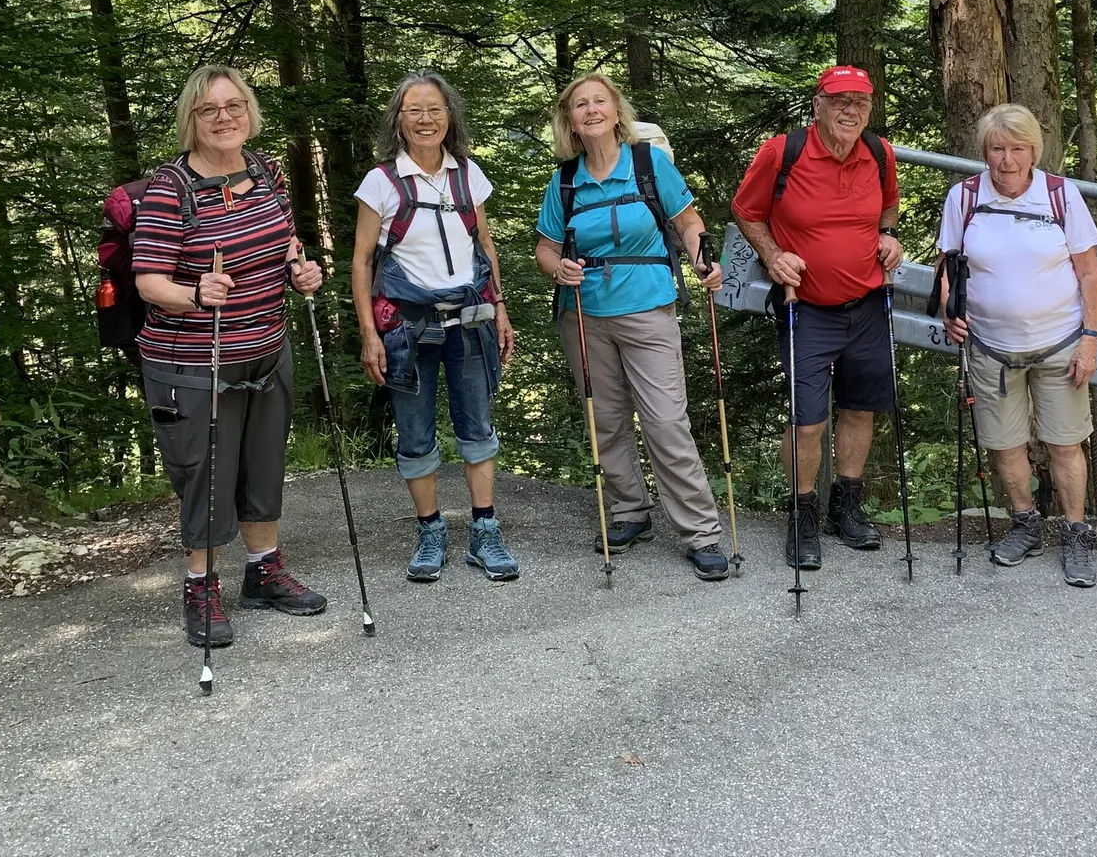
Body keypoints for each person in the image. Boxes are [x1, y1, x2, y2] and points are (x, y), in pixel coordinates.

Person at [132, 65, 327, 647]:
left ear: (249, 111)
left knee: (263, 465)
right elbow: (148, 281)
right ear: (190, 119)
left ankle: (264, 570)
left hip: (265, 349)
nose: (224, 117)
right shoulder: (171, 187)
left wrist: (301, 271)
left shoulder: (266, 172)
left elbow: (284, 243)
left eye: (234, 106)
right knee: (204, 475)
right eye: (209, 109)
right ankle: (202, 585)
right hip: (193, 360)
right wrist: (194, 294)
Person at [534, 73, 733, 581]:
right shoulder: (565, 181)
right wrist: (558, 269)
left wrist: (702, 261)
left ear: (616, 111)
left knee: (666, 420)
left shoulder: (649, 163)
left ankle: (702, 532)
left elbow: (690, 223)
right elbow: (546, 248)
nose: (591, 110)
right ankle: (628, 512)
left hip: (648, 308)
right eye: (581, 105)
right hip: (584, 314)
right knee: (606, 420)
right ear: (570, 120)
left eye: (600, 101)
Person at [731, 65, 904, 570]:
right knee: (808, 420)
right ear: (819, 104)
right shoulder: (782, 152)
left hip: (868, 304)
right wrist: (771, 254)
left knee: (859, 408)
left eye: (861, 102)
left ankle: (845, 507)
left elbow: (888, 206)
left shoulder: (879, 152)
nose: (851, 110)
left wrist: (889, 235)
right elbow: (746, 210)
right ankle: (802, 511)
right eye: (840, 100)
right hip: (804, 307)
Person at [353, 72, 520, 584]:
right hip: (406, 328)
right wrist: (368, 335)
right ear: (398, 120)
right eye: (414, 111)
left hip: (470, 324)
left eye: (435, 110)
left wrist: (501, 310)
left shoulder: (469, 176)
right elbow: (361, 262)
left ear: (450, 117)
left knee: (477, 428)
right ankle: (430, 532)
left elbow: (484, 248)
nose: (426, 120)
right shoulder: (380, 182)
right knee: (415, 434)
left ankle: (484, 531)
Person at [937, 104, 1097, 582]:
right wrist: (952, 311)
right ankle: (1025, 523)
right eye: (997, 149)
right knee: (1005, 445)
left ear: (1034, 151)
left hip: (1060, 342)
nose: (1007, 160)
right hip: (990, 346)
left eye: (1017, 149)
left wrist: (1090, 338)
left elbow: (1089, 271)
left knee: (1065, 443)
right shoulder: (964, 197)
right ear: (984, 151)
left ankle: (1075, 534)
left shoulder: (1060, 195)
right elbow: (949, 265)